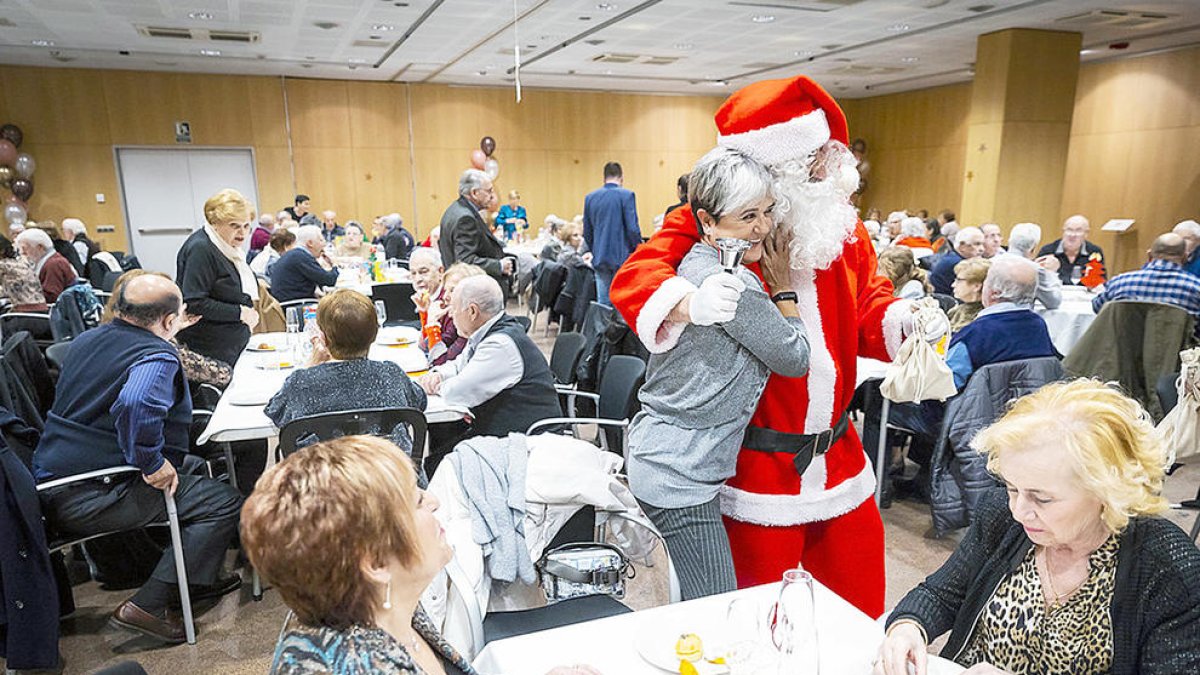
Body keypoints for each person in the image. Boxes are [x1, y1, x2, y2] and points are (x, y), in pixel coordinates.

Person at [610, 75, 948, 617]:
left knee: (858, 609)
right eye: (814, 159)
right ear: (778, 170)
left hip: (839, 457)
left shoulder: (841, 227)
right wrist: (689, 303)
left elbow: (869, 300)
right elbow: (638, 275)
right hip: (754, 468)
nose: (829, 169)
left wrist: (904, 319)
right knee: (754, 620)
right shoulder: (716, 222)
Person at [875, 379, 1200, 675]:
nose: (1019, 511)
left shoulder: (1168, 570)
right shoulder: (1000, 514)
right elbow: (942, 593)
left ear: (1107, 491)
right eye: (1013, 488)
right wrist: (908, 626)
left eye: (1042, 499)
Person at [241, 435, 602, 675]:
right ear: (377, 563)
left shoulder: (381, 608)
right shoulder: (361, 665)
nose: (434, 501)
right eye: (416, 501)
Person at [626, 147, 810, 601]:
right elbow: (795, 358)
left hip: (661, 454)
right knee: (713, 605)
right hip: (679, 472)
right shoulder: (735, 283)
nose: (763, 228)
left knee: (693, 596)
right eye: (748, 216)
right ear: (707, 221)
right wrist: (784, 287)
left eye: (768, 211)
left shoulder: (692, 263)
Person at [33, 275, 243, 644]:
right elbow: (137, 402)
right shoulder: (157, 354)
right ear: (168, 321)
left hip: (54, 476)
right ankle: (149, 604)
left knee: (195, 470)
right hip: (94, 492)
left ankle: (194, 576)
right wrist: (150, 461)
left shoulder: (87, 340)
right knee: (222, 503)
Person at [417, 275, 561, 471]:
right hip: (505, 431)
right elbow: (460, 365)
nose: (450, 316)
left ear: (473, 312)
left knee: (438, 465)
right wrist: (438, 375)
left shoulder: (500, 344)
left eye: (454, 310)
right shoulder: (487, 332)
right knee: (440, 453)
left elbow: (460, 392)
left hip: (527, 440)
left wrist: (436, 386)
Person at [265, 290, 427, 453]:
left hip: (324, 477)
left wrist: (311, 364)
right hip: (393, 474)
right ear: (375, 334)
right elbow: (419, 401)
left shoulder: (301, 382)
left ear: (323, 338)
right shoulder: (391, 374)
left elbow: (275, 411)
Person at [103, 270, 232, 389]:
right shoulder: (157, 350)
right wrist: (169, 329)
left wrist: (172, 328)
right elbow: (221, 375)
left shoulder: (106, 335)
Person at [175, 188, 260, 367]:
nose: (242, 233)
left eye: (246, 226)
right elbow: (194, 301)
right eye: (234, 226)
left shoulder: (228, 247)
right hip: (208, 348)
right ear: (215, 222)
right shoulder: (201, 249)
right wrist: (240, 312)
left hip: (229, 342)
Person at [1092, 232, 1200, 331]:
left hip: (1122, 350)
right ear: (1185, 257)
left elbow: (1097, 307)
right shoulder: (1196, 288)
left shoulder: (1119, 283)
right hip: (1176, 350)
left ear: (1149, 255)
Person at [583, 161, 640, 305]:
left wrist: (595, 249)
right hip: (622, 258)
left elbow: (587, 232)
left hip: (600, 257)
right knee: (622, 302)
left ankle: (603, 328)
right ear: (621, 178)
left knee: (603, 303)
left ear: (604, 178)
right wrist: (637, 248)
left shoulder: (590, 198)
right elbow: (632, 229)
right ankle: (618, 328)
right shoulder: (627, 195)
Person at [439, 170, 512, 282]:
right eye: (489, 191)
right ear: (474, 193)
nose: (492, 196)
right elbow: (465, 261)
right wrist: (499, 266)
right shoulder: (465, 218)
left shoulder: (454, 209)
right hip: (470, 288)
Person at [426, 263, 485, 368]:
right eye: (445, 290)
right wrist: (424, 313)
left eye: (453, 290)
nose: (445, 296)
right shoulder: (457, 319)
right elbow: (426, 347)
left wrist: (431, 324)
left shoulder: (472, 325)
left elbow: (440, 363)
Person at [269, 225, 340, 303]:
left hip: (291, 302)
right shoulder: (300, 257)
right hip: (296, 305)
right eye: (321, 240)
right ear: (310, 243)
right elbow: (330, 280)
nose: (324, 244)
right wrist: (335, 264)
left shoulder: (296, 254)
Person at [1001, 222, 1062, 310]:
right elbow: (1053, 302)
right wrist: (1050, 273)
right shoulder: (1034, 270)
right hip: (1019, 319)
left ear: (1010, 241)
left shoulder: (991, 262)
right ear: (1033, 249)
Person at [1039, 214, 1106, 285]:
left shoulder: (1094, 252)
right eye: (1069, 230)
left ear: (1086, 234)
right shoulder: (1048, 250)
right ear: (1063, 232)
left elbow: (1100, 280)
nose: (1072, 235)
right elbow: (1037, 278)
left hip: (1084, 294)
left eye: (1078, 231)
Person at [15, 228, 76, 304]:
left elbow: (52, 297)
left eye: (24, 248)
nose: (22, 253)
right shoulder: (47, 261)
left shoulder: (54, 264)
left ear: (40, 247)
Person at [929, 226, 984, 295]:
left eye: (982, 244)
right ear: (962, 246)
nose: (982, 249)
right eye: (977, 244)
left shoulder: (953, 257)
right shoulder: (957, 264)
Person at [947, 257, 991, 334]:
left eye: (959, 280)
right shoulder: (956, 311)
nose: (953, 285)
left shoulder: (983, 319)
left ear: (977, 286)